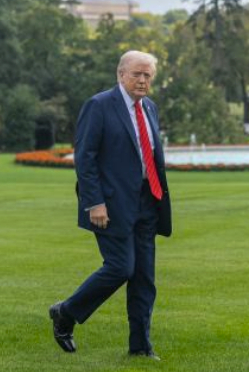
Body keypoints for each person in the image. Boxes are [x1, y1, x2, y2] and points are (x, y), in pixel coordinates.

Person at [49, 50, 172, 359]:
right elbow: (85, 157)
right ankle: (66, 312)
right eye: (137, 74)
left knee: (144, 278)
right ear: (120, 74)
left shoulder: (150, 109)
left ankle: (140, 348)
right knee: (120, 267)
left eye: (147, 75)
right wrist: (94, 202)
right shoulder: (99, 105)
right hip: (110, 205)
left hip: (147, 202)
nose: (143, 80)